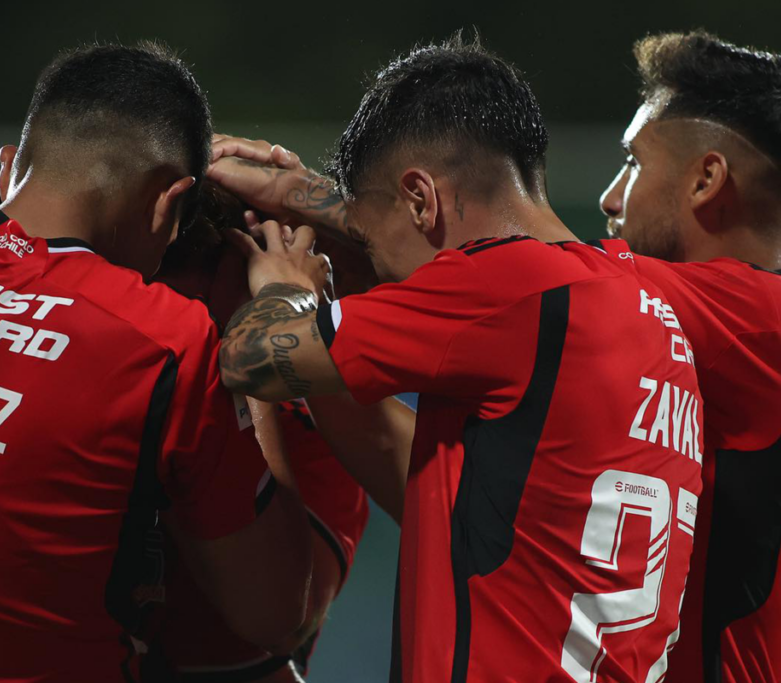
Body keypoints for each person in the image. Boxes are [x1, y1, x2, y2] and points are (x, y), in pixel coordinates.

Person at [214, 35, 704, 682]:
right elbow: (408, 469)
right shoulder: (640, 301)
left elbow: (251, 358)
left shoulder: (501, 284)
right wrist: (307, 195)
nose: (385, 278)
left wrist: (287, 288)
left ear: (422, 199)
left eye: (375, 249)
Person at [0, 42, 314, 683]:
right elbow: (277, 613)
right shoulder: (162, 343)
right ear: (167, 206)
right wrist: (282, 320)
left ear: (9, 167)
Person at [599, 31, 781, 682]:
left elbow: (521, 276)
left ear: (707, 178)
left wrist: (359, 214)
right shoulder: (769, 330)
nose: (610, 197)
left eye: (633, 163)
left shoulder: (777, 327)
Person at [136, 184, 370, 683]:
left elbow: (284, 621)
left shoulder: (313, 427)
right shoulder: (85, 342)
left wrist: (250, 358)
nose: (165, 324)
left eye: (191, 306)